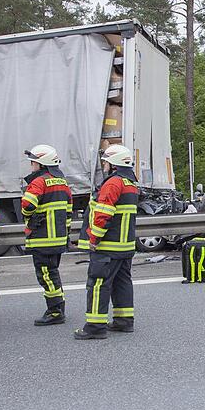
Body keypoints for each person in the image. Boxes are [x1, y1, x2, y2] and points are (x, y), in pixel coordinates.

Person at [74, 144, 139, 340]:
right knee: (122, 282)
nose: (104, 165)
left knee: (97, 284)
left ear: (114, 165)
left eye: (106, 162)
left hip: (108, 246)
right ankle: (124, 321)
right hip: (125, 245)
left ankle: (95, 326)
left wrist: (94, 238)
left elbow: (103, 214)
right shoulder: (130, 183)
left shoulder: (112, 183)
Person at [22, 144, 73, 326]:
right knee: (52, 273)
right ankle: (58, 307)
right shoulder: (62, 182)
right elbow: (69, 212)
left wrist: (30, 217)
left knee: (46, 274)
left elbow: (27, 205)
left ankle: (55, 311)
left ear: (41, 164)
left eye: (33, 163)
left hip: (43, 238)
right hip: (58, 237)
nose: (32, 167)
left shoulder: (39, 182)